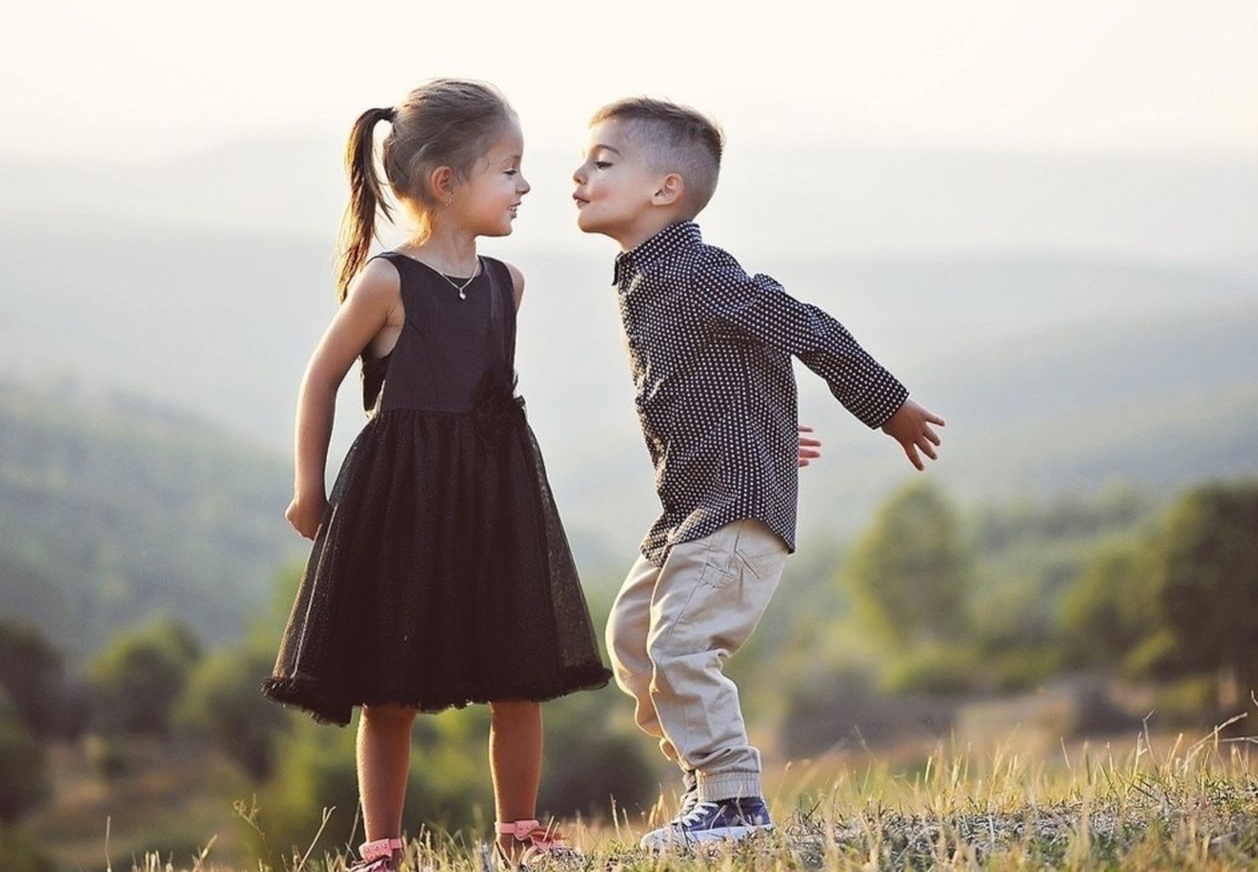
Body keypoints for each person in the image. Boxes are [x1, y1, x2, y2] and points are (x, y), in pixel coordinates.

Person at [571, 97, 945, 848]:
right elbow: (719, 371)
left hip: (736, 509)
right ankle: (706, 781)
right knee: (634, 641)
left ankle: (734, 799)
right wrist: (762, 430)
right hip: (691, 508)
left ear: (665, 189)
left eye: (602, 162)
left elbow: (802, 325)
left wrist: (888, 405)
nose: (578, 175)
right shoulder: (644, 276)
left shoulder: (699, 272)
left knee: (681, 645)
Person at [263, 78, 611, 870]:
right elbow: (321, 378)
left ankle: (519, 832)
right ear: (447, 182)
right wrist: (309, 488)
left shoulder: (506, 285)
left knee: (519, 671)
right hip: (402, 502)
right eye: (509, 170)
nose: (526, 187)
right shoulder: (388, 281)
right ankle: (382, 848)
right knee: (390, 686)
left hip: (494, 498)